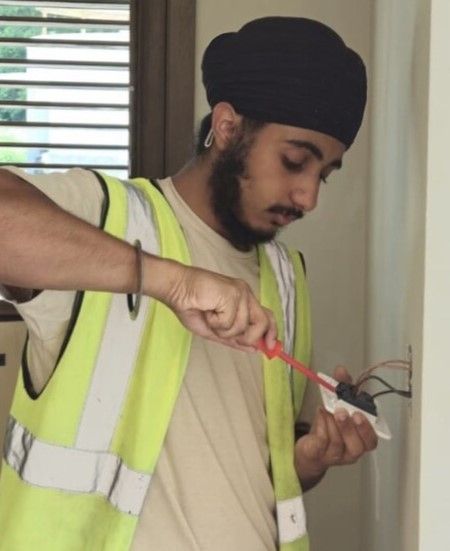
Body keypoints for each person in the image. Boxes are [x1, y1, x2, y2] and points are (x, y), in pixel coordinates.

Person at [0, 16, 377, 551]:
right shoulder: (107, 218)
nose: (308, 197)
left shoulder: (288, 279)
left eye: (324, 174)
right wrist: (171, 283)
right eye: (295, 161)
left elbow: (261, 471)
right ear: (226, 128)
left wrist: (309, 460)